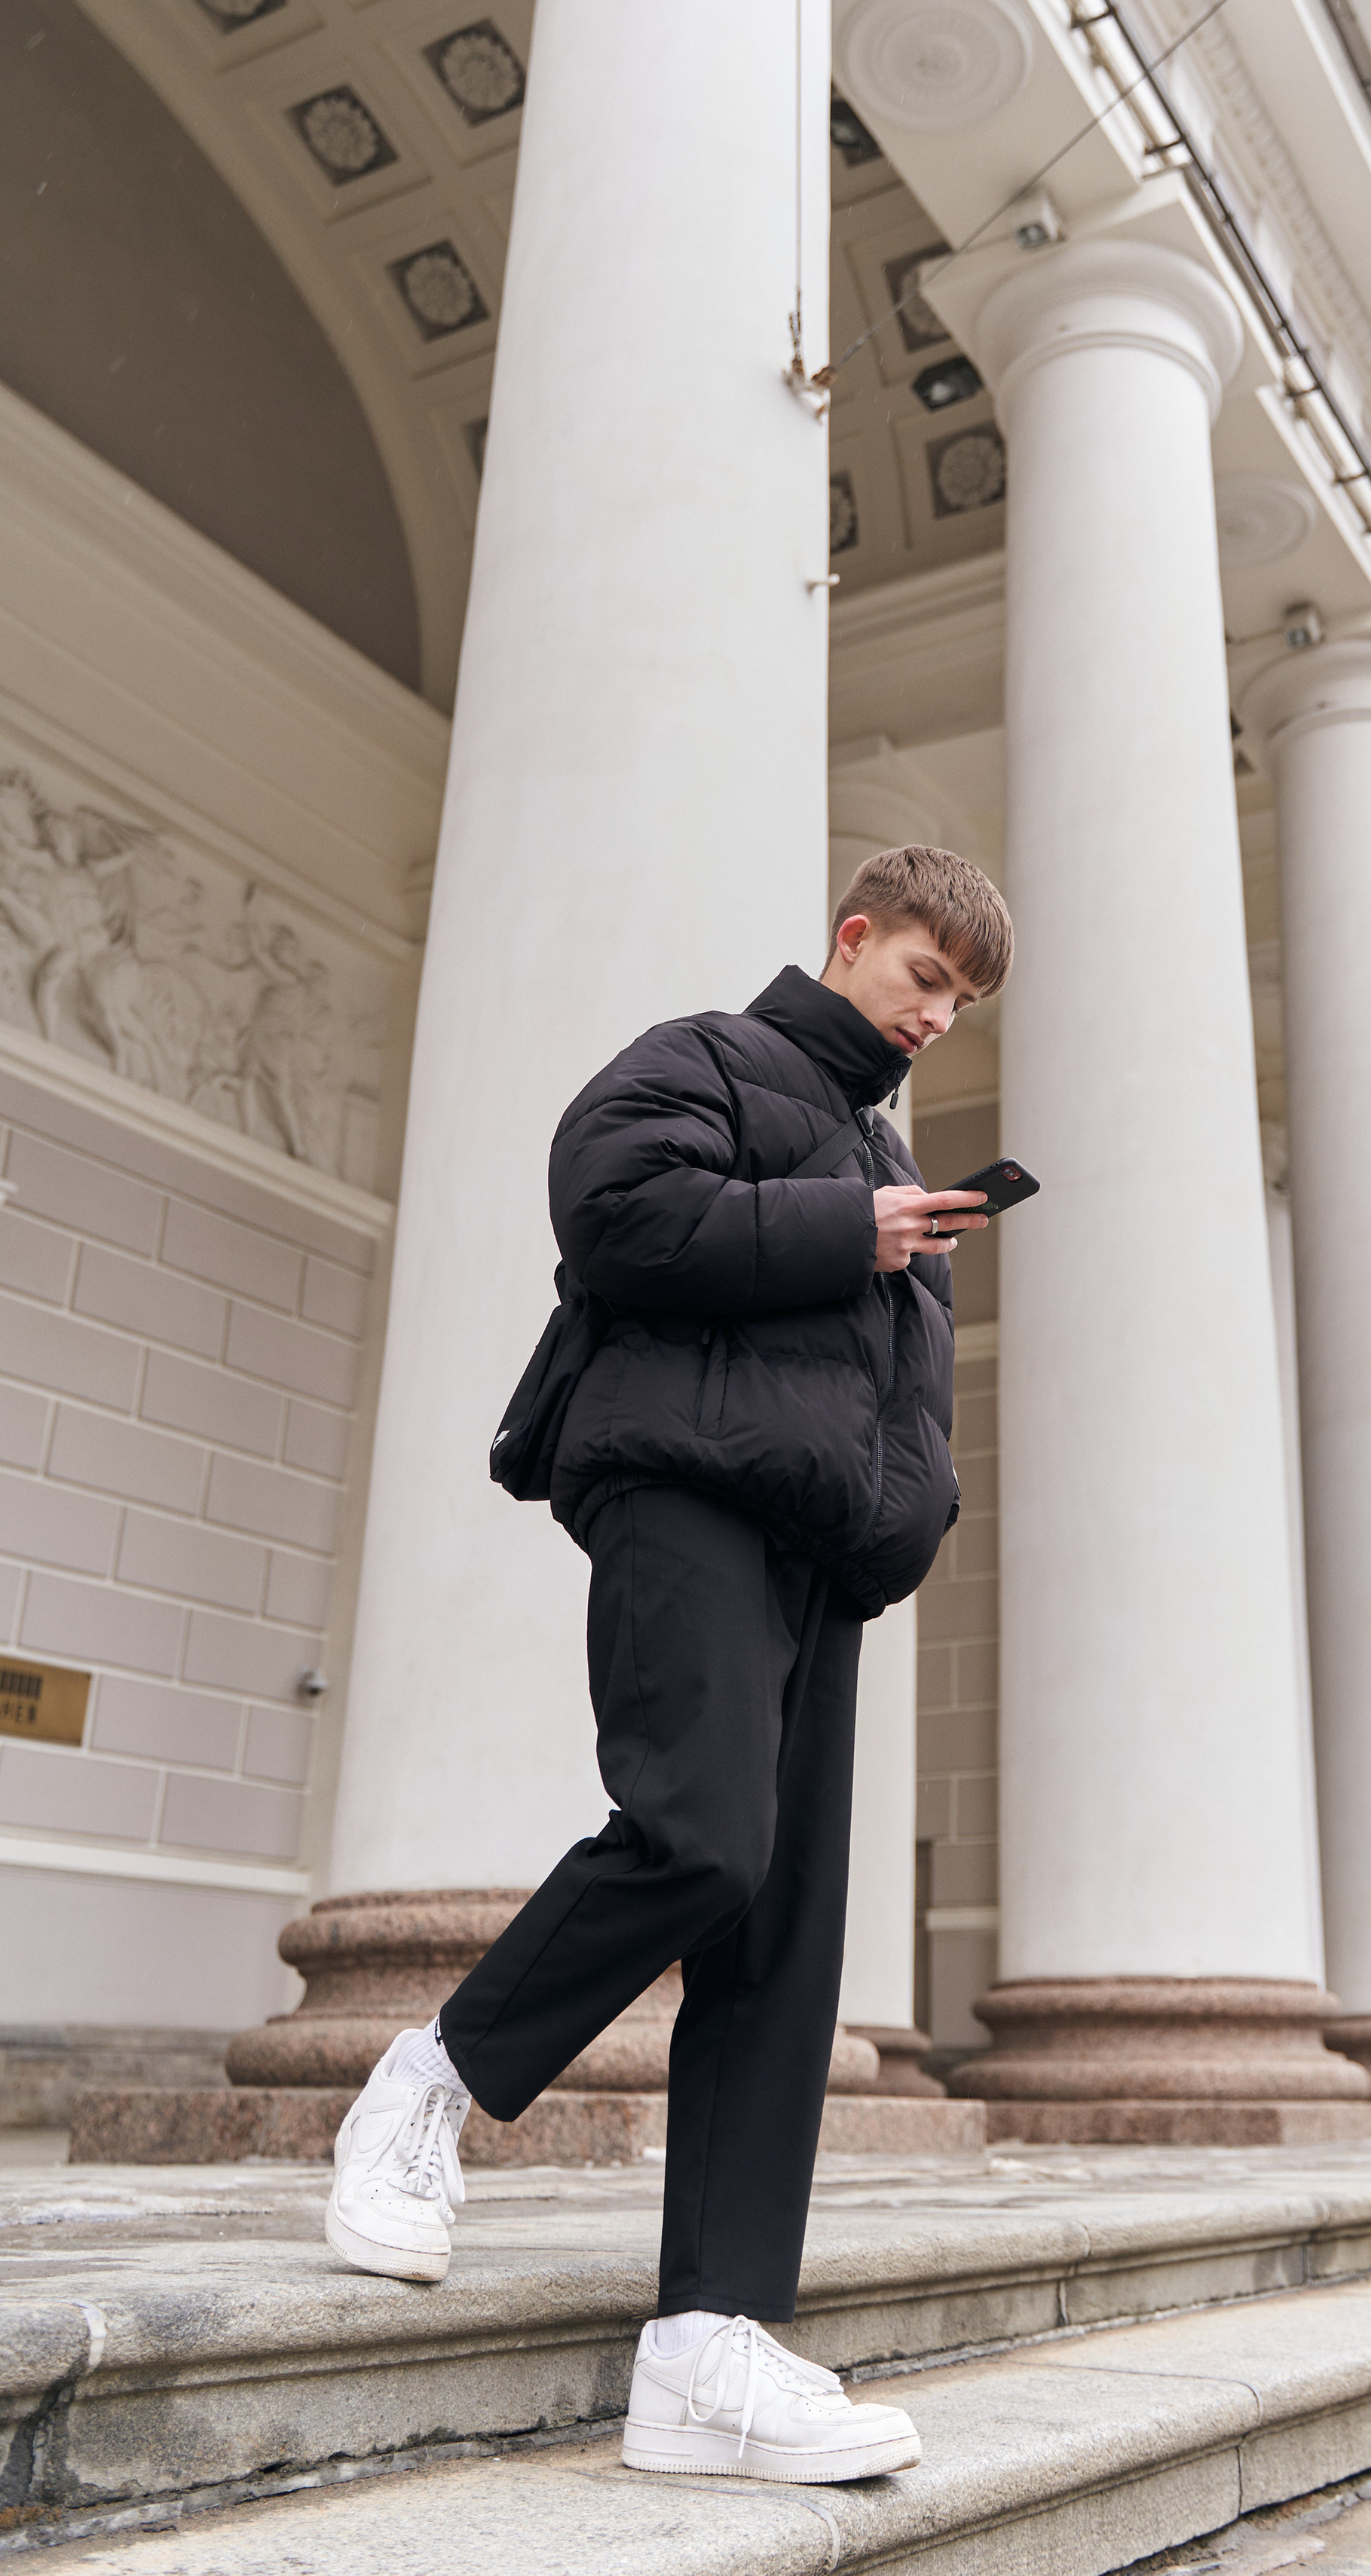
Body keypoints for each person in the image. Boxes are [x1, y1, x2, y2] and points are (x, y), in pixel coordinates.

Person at [323, 846, 1014, 2483]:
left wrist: (916, 1507)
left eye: (963, 1004)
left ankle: (709, 2346)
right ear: (854, 936)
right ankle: (431, 2081)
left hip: (821, 1555)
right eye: (925, 977)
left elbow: (895, 1397)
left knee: (781, 1936)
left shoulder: (889, 1164)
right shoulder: (706, 1054)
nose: (937, 1016)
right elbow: (613, 1212)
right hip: (682, 1489)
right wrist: (846, 1231)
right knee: (701, 1837)